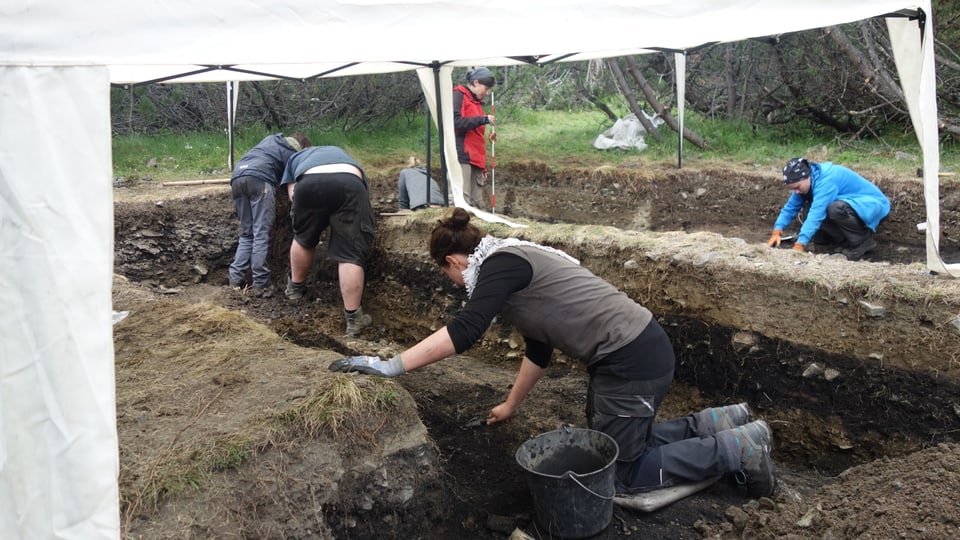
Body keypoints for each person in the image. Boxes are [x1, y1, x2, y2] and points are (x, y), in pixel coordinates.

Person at [329, 207, 776, 498]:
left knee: (620, 472)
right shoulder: (514, 261)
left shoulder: (498, 267)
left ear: (454, 262)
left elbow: (466, 331)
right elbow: (540, 350)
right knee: (617, 440)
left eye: (446, 274)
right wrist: (510, 405)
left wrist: (393, 365)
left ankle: (738, 449)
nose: (453, 283)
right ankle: (720, 420)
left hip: (631, 359)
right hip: (636, 350)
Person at [280, 145, 376, 337]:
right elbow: (363, 191)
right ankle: (354, 320)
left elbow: (293, 195)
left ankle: (294, 290)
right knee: (350, 254)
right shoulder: (340, 153)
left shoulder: (296, 158)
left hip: (309, 184)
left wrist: (311, 220)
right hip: (349, 183)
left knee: (303, 238)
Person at [227, 132, 312, 297]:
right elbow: (292, 181)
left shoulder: (271, 141)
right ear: (303, 146)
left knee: (247, 234)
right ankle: (261, 283)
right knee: (261, 233)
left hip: (237, 177)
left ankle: (235, 279)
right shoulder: (293, 154)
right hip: (259, 180)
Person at [767, 157, 890, 261]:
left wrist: (800, 244)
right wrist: (777, 230)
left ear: (806, 177)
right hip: (852, 205)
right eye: (793, 189)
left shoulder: (826, 181)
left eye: (797, 187)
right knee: (808, 208)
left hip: (873, 206)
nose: (796, 192)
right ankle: (832, 242)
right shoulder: (805, 182)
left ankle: (862, 242)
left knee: (835, 208)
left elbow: (817, 214)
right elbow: (790, 208)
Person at [453, 67, 497, 209]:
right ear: (476, 83)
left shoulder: (477, 103)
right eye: (486, 88)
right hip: (463, 156)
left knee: (477, 204)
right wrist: (483, 119)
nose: (487, 92)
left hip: (476, 159)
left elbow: (477, 136)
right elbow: (455, 122)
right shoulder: (459, 95)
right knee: (463, 201)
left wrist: (483, 167)